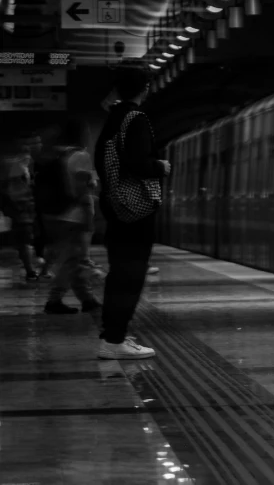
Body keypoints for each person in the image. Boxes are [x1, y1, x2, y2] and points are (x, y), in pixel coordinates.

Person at [94, 66, 171, 359]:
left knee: (119, 273)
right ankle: (114, 341)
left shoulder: (111, 120)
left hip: (115, 206)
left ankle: (111, 336)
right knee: (131, 274)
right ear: (146, 88)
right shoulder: (135, 119)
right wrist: (159, 167)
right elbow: (139, 163)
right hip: (136, 210)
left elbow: (104, 163)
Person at [39, 120, 101, 314]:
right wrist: (89, 216)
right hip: (72, 215)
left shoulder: (58, 155)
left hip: (53, 214)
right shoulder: (80, 156)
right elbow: (82, 187)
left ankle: (87, 299)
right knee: (71, 261)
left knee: (73, 260)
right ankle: (54, 300)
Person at [1, 146, 39, 281]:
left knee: (24, 240)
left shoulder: (19, 168)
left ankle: (31, 269)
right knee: (24, 240)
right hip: (22, 209)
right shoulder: (17, 168)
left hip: (21, 209)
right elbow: (16, 191)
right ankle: (31, 271)